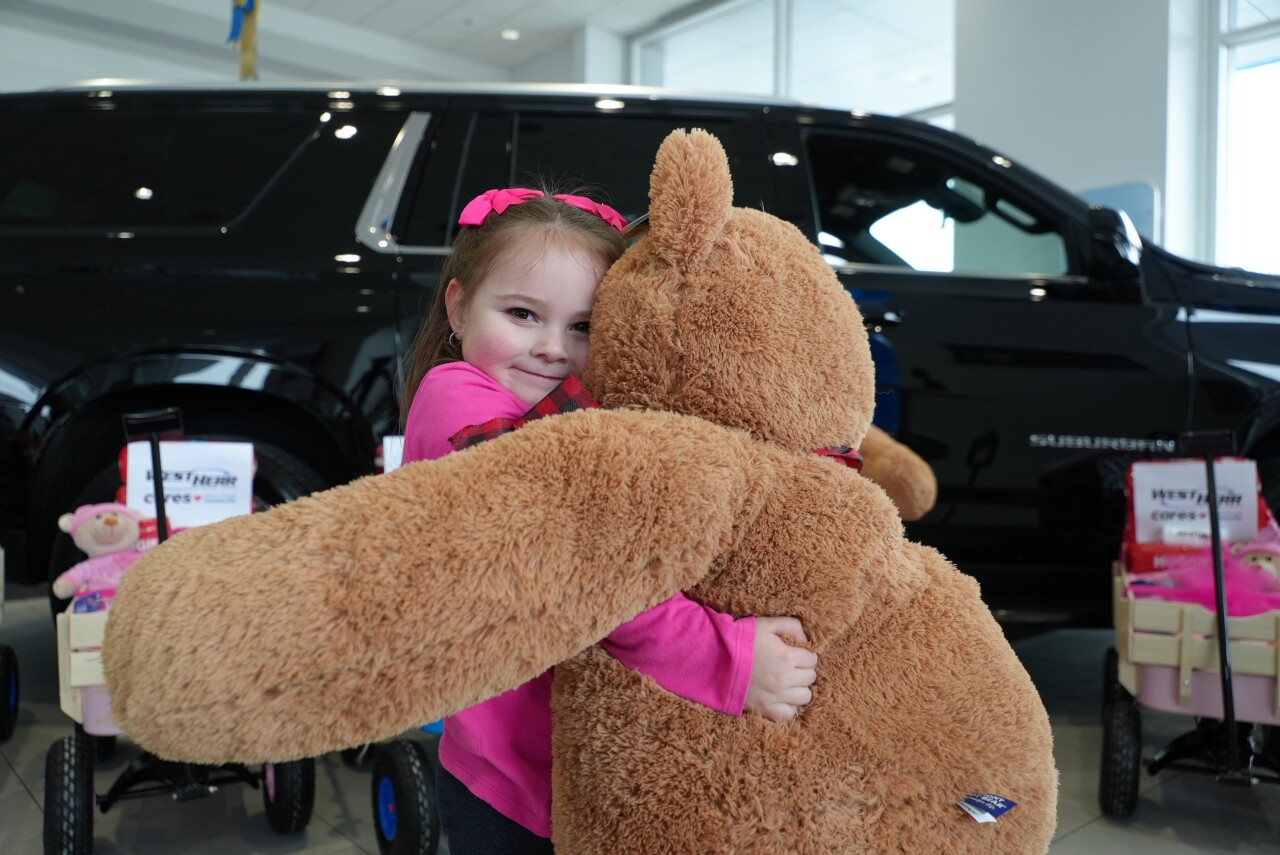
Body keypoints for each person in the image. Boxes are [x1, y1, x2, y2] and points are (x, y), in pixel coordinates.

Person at [400, 185, 819, 854]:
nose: (551, 348)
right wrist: (729, 658)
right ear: (457, 305)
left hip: (599, 768)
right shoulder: (454, 399)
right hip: (510, 785)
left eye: (585, 326)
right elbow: (583, 563)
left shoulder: (582, 409)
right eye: (521, 313)